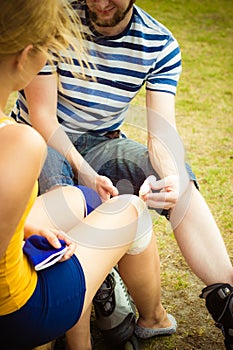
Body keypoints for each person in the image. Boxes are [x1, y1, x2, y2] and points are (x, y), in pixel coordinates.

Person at [11, 0, 233, 349]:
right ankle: (77, 324)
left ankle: (228, 301)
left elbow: (161, 135)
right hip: (44, 137)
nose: (100, 4)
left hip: (106, 141)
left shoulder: (159, 43)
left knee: (178, 180)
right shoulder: (53, 22)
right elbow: (43, 117)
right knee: (62, 200)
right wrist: (84, 172)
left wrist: (171, 175)